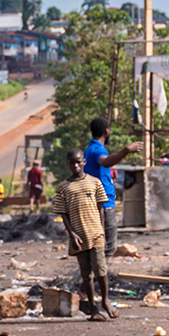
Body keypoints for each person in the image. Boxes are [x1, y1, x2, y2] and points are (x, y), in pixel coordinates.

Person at [53, 148, 112, 320]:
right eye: (73, 163)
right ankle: (93, 308)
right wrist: (71, 233)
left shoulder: (94, 182)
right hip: (78, 236)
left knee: (101, 269)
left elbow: (101, 208)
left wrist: (102, 232)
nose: (76, 166)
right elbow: (62, 213)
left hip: (95, 233)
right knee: (86, 274)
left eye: (79, 162)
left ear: (84, 162)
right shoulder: (64, 187)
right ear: (68, 164)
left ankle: (106, 300)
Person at [84, 118, 142, 278]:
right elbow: (106, 162)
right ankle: (97, 280)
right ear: (107, 131)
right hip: (104, 204)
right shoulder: (97, 150)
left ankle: (92, 281)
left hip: (96, 202)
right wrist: (126, 150)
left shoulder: (89, 149)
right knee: (107, 247)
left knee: (99, 246)